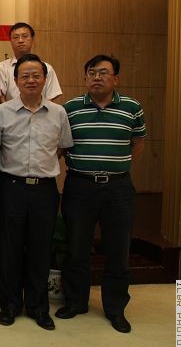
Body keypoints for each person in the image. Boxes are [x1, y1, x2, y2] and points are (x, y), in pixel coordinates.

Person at [56, 54, 146, 334]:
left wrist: (117, 166)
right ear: (85, 78)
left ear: (115, 79)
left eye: (103, 72)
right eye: (92, 72)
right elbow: (62, 146)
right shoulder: (71, 108)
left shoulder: (131, 107)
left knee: (118, 250)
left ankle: (115, 308)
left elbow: (138, 143)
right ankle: (76, 302)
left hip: (118, 188)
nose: (97, 77)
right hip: (80, 186)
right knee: (77, 248)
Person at [0, 54, 73, 331]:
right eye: (24, 76)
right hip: (11, 188)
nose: (30, 80)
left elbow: (62, 147)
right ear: (15, 81)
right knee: (10, 248)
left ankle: (39, 307)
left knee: (41, 249)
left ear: (45, 79)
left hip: (45, 190)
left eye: (36, 75)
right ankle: (10, 305)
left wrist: (42, 167)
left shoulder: (58, 113)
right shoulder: (1, 113)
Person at [0, 22, 62, 102]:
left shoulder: (47, 68)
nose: (20, 40)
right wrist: (9, 110)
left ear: (32, 39)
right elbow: (0, 96)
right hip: (10, 109)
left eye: (25, 36)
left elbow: (50, 97)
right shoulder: (1, 67)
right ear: (10, 41)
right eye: (16, 37)